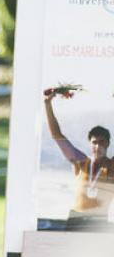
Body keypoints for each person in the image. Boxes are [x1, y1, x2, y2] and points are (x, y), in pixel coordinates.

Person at [44, 88, 114, 229]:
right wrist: (47, 104)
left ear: (108, 143)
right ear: (90, 143)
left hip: (99, 223)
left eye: (102, 142)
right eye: (95, 142)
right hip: (76, 220)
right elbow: (57, 136)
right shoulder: (81, 163)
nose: (98, 145)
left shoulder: (112, 165)